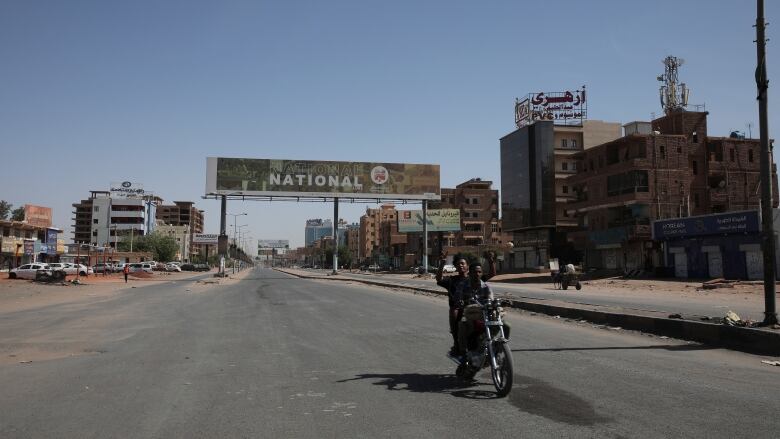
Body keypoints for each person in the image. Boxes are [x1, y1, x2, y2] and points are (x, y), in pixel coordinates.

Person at [436, 251, 496, 357]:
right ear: (455, 266)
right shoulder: (452, 280)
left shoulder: (474, 276)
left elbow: (491, 275)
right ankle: (457, 344)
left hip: (477, 308)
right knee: (454, 312)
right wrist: (442, 263)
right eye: (458, 264)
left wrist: (491, 262)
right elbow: (439, 279)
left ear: (467, 266)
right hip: (459, 308)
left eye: (463, 263)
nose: (460, 265)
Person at [457, 262, 510, 357]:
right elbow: (458, 298)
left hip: (485, 315)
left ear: (481, 273)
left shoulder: (486, 287)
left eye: (479, 272)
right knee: (462, 325)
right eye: (474, 272)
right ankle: (463, 353)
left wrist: (501, 302)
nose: (477, 274)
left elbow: (491, 299)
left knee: (506, 325)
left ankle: (501, 348)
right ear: (470, 273)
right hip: (471, 315)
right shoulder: (463, 285)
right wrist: (461, 302)